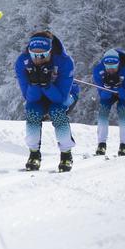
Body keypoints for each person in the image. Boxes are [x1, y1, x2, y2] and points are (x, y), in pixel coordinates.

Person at [15, 31, 79, 172]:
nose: (38, 59)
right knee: (32, 111)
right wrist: (34, 83)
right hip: (37, 95)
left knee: (57, 111)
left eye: (42, 55)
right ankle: (34, 154)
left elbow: (61, 98)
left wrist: (47, 84)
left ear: (50, 51)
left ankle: (66, 154)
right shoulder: (22, 62)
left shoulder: (65, 62)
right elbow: (30, 98)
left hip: (64, 94)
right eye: (34, 54)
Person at [92, 49, 125, 156]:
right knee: (103, 111)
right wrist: (107, 87)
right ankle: (101, 144)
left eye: (114, 66)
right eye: (108, 66)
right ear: (104, 64)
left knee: (122, 111)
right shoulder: (98, 70)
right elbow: (102, 95)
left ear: (119, 63)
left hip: (124, 91)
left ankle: (124, 145)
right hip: (107, 92)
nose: (110, 69)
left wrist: (118, 87)